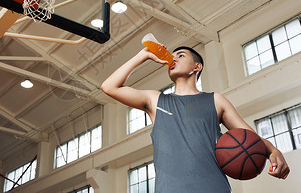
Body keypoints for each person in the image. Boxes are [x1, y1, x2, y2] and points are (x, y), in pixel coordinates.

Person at [101, 45, 290, 192]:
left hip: (214, 188)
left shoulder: (215, 100)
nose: (172, 59)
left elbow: (250, 137)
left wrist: (273, 150)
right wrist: (143, 55)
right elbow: (109, 87)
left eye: (180, 55)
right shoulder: (155, 100)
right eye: (171, 57)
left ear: (197, 66)